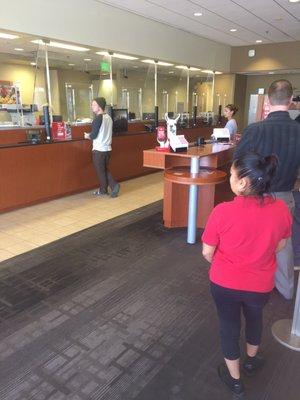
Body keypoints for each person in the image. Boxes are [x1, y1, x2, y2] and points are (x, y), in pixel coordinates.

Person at [202, 152, 292, 396]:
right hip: (260, 283)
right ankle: (251, 360)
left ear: (243, 182)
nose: (230, 178)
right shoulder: (281, 209)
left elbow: (207, 252)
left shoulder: (222, 212)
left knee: (228, 326)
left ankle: (235, 380)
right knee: (254, 318)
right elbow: (281, 246)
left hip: (224, 282)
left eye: (232, 174)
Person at [234, 80, 300, 299]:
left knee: (251, 239)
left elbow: (239, 163)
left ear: (268, 101)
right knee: (285, 244)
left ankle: (248, 283)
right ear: (291, 101)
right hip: (285, 196)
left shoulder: (254, 129)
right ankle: (287, 289)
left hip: (256, 196)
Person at [84, 97, 120, 198]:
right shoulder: (108, 117)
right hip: (107, 149)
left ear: (99, 106)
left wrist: (87, 136)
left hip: (99, 150)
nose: (92, 106)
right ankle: (103, 190)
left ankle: (114, 185)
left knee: (101, 171)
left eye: (94, 104)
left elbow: (94, 135)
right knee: (103, 170)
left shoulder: (97, 119)